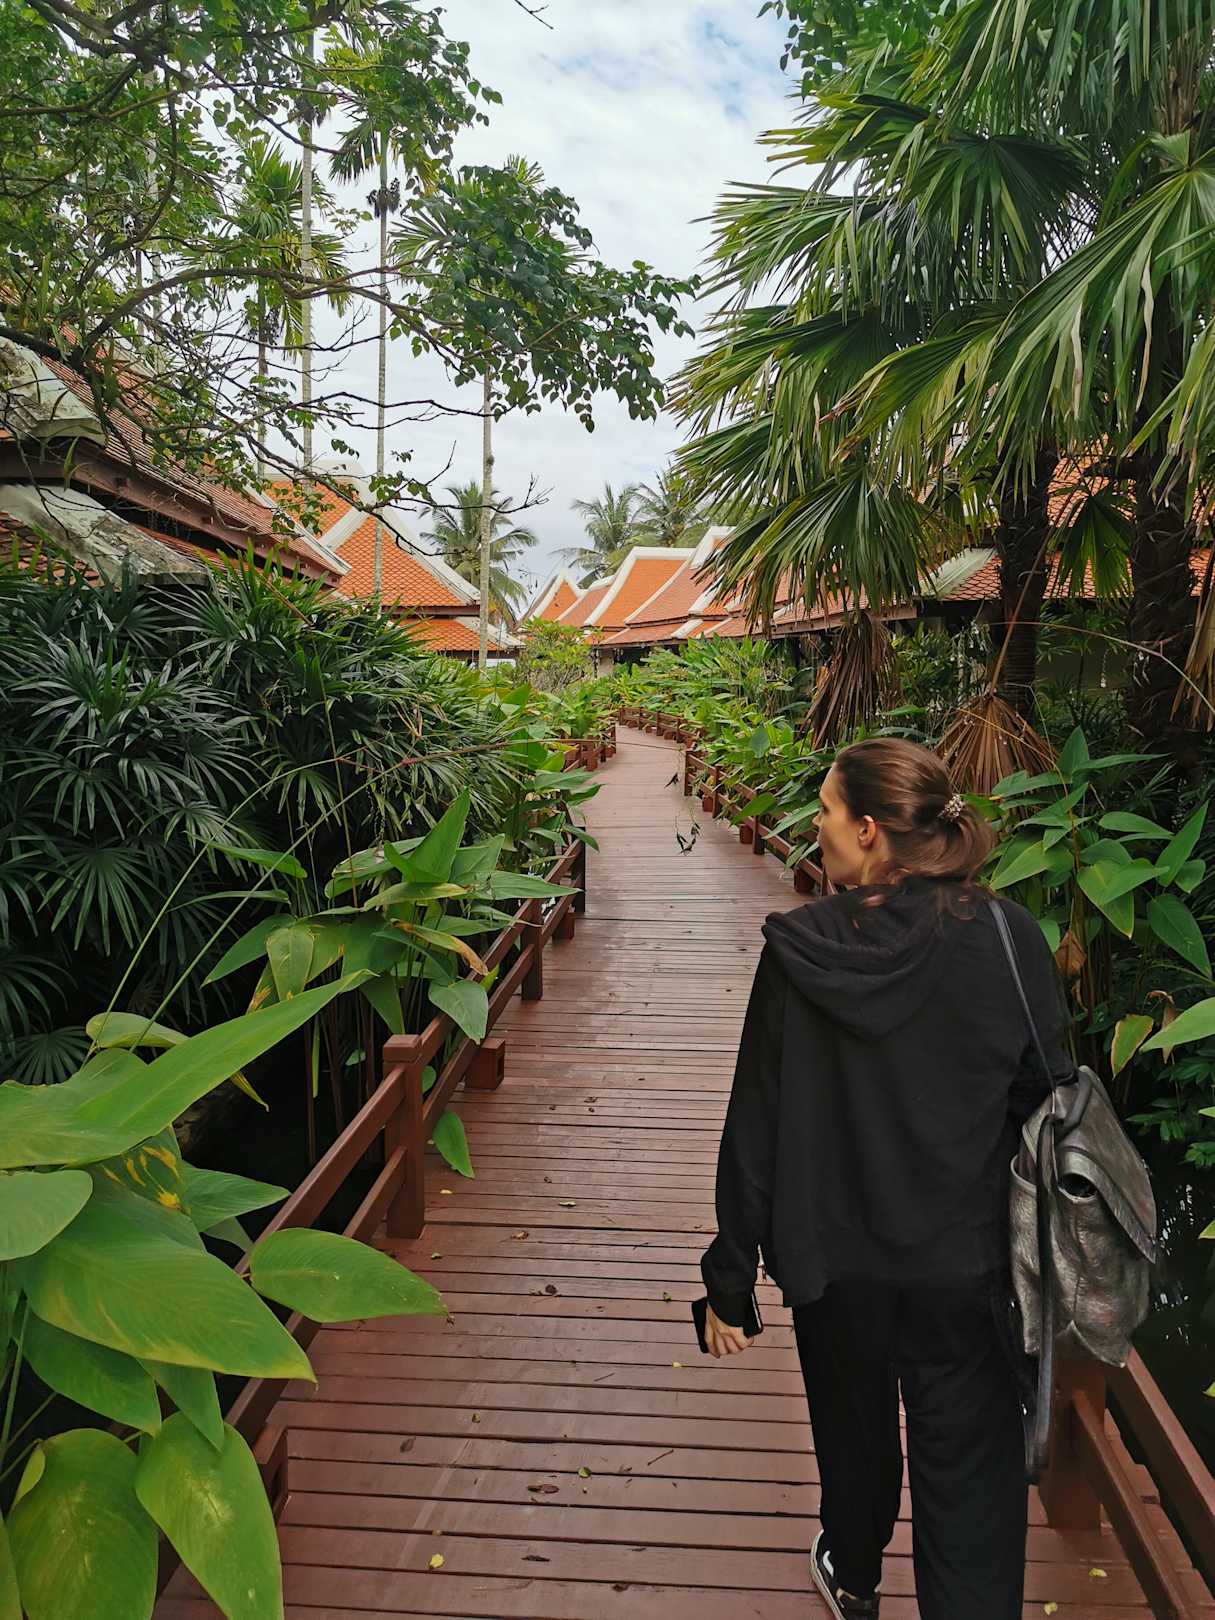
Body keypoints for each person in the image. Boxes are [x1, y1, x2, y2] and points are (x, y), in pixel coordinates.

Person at [699, 737, 1072, 1620]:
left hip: (834, 1262)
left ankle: (854, 1574)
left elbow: (757, 1120)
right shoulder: (1008, 937)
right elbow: (1048, 1094)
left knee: (852, 1432)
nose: (816, 827)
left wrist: (729, 1277)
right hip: (966, 1261)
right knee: (969, 1466)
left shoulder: (800, 950)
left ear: (867, 830)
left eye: (826, 811)